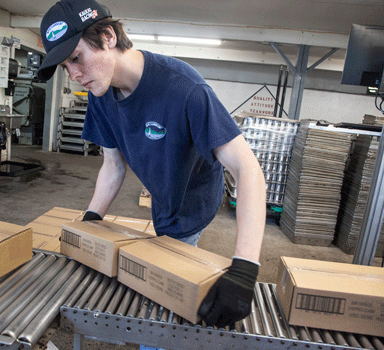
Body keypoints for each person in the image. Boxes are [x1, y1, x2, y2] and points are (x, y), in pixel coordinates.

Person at [37, 0, 266, 335]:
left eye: (76, 57)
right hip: (162, 191)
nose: (73, 74)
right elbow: (113, 166)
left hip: (190, 201)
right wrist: (90, 220)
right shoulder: (101, 92)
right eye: (64, 67)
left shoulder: (184, 88)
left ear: (109, 37)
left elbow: (249, 171)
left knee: (169, 301)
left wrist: (245, 268)